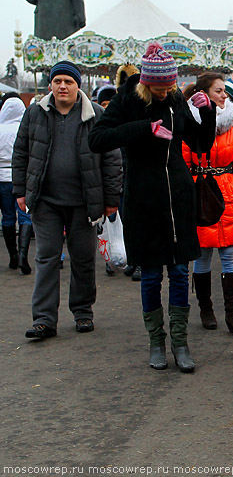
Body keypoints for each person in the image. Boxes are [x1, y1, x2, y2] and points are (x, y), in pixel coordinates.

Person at [89, 43, 216, 371]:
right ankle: (156, 341)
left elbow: (199, 143)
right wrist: (144, 129)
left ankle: (181, 342)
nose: (164, 93)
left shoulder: (175, 98)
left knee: (178, 272)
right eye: (158, 88)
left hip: (178, 198)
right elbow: (98, 139)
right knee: (150, 275)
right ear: (146, 83)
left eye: (168, 87)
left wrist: (208, 111)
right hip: (144, 199)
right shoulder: (128, 100)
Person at [14, 60, 122, 340]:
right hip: (45, 201)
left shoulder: (96, 115)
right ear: (50, 84)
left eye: (69, 81)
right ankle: (44, 319)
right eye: (58, 81)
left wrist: (111, 199)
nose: (63, 86)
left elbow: (112, 158)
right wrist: (20, 191)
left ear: (78, 86)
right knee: (47, 258)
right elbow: (21, 152)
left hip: (85, 202)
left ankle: (83, 311)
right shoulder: (34, 114)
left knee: (83, 259)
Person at [182, 73, 233, 333]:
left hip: (229, 191)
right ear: (204, 94)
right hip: (200, 191)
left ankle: (232, 313)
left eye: (224, 91)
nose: (225, 95)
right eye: (219, 91)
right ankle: (206, 308)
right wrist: (191, 187)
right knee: (202, 255)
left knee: (230, 254)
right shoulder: (190, 122)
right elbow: (184, 160)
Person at [0, 97, 33, 274]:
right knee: (25, 216)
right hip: (21, 177)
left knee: (7, 217)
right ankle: (23, 255)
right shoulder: (23, 129)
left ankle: (13, 255)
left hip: (1, 178)